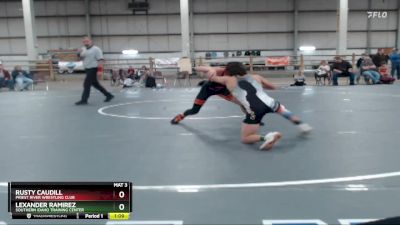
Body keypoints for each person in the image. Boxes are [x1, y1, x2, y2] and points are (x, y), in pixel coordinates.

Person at [201, 62, 312, 150]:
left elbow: (211, 77)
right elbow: (272, 87)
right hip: (270, 103)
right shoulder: (256, 77)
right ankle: (303, 125)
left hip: (254, 110)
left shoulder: (228, 79)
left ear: (228, 72)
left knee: (245, 138)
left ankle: (267, 137)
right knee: (284, 111)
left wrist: (213, 69)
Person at [170, 65, 272, 125]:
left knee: (243, 102)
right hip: (208, 90)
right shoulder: (218, 71)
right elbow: (205, 68)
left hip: (222, 91)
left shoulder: (235, 76)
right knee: (194, 110)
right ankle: (181, 116)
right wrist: (193, 68)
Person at [75, 37, 114, 105]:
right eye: (84, 42)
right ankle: (108, 95)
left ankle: (84, 100)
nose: (86, 43)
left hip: (93, 68)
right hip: (87, 69)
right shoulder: (84, 49)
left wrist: (100, 70)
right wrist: (78, 53)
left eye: (87, 41)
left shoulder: (96, 49)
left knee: (86, 84)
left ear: (91, 41)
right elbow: (80, 58)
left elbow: (101, 60)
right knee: (95, 84)